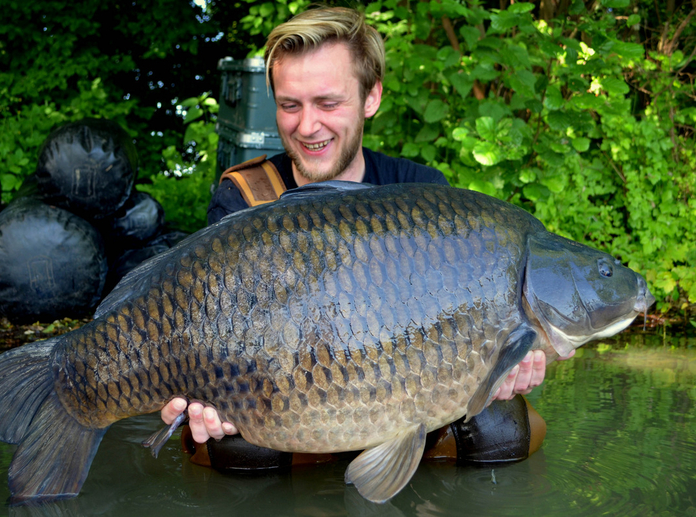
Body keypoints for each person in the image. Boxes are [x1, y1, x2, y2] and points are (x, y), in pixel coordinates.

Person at [162, 6, 572, 454]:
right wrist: (192, 397)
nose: (307, 126)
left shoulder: (425, 197)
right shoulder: (245, 197)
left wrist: (502, 365)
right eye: (289, 105)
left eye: (328, 103)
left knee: (503, 429)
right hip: (284, 402)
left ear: (371, 98)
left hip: (399, 393)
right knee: (233, 447)